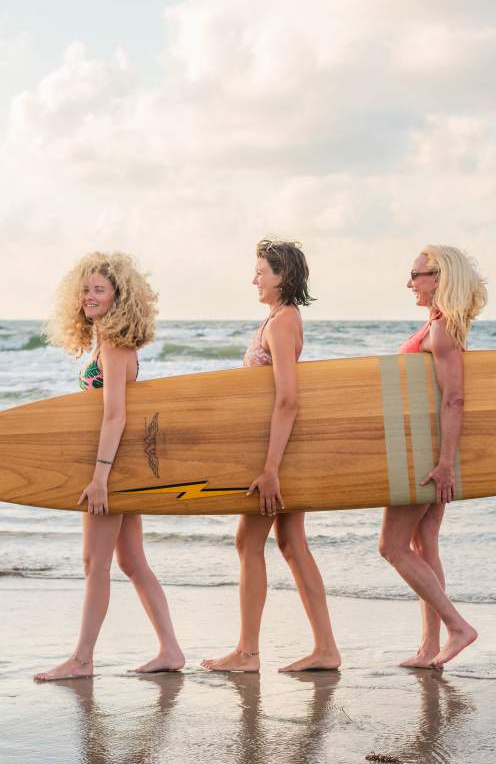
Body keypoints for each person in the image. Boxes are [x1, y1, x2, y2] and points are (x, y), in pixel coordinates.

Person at [34, 252, 184, 681]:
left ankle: (82, 660)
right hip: (121, 465)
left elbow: (115, 415)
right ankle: (170, 649)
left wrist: (99, 477)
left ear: (119, 296)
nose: (89, 296)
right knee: (132, 561)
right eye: (85, 289)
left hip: (112, 470)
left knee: (95, 564)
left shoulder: (116, 346)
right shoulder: (103, 341)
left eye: (99, 289)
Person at [201, 238, 340, 673]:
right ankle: (325, 649)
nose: (254, 279)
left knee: (250, 541)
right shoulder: (282, 317)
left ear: (283, 276)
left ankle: (247, 654)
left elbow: (288, 398)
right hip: (285, 450)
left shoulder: (281, 323)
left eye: (261, 271)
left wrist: (270, 469)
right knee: (293, 545)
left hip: (278, 454)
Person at [379, 245, 487, 668]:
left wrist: (444, 463)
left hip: (426, 457)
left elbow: (455, 399)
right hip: (428, 451)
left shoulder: (442, 332)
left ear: (439, 278)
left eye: (416, 274)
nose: (410, 283)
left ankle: (457, 627)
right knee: (423, 545)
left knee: (391, 546)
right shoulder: (441, 326)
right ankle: (428, 647)